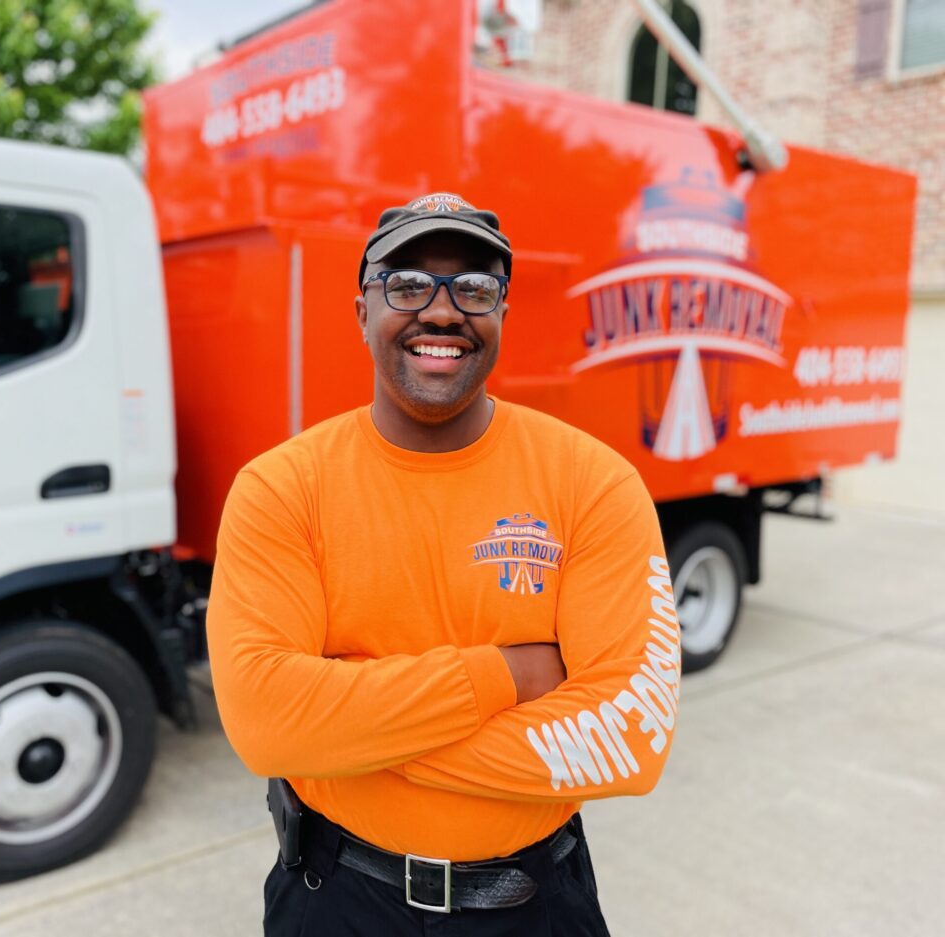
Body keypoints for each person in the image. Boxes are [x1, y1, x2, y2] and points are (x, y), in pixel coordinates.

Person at [207, 193, 681, 935]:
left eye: (475, 287)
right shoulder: (281, 488)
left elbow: (629, 737)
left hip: (534, 904)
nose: (442, 310)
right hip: (335, 896)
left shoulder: (593, 482)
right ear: (362, 311)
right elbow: (267, 722)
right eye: (405, 284)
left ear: (501, 316)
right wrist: (509, 675)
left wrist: (351, 735)